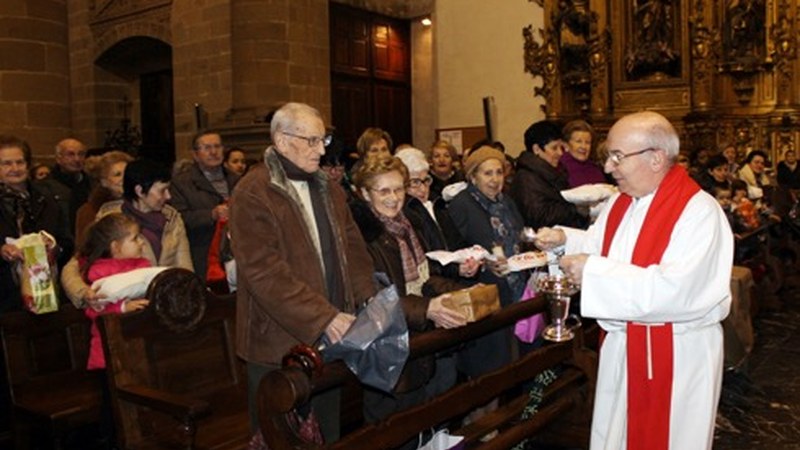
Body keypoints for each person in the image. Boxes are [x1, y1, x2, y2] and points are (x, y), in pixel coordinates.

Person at [534, 111, 733, 450]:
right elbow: (604, 247)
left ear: (655, 158)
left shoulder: (699, 212)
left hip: (677, 355)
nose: (608, 167)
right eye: (607, 156)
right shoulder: (621, 203)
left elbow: (677, 291)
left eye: (617, 157)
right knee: (617, 436)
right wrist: (564, 239)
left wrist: (593, 272)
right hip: (624, 347)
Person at [229, 102, 376, 440]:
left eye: (322, 140)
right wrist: (324, 317)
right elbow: (264, 273)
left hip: (330, 338)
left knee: (328, 431)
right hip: (277, 342)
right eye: (311, 140)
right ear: (282, 141)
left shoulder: (330, 189)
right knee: (280, 438)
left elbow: (353, 251)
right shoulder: (253, 192)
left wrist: (368, 299)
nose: (320, 149)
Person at [349, 155, 469, 446]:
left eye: (399, 189)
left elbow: (423, 279)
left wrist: (456, 294)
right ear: (365, 193)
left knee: (424, 423)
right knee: (392, 432)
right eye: (384, 191)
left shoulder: (407, 225)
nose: (394, 198)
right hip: (385, 352)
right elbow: (372, 298)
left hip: (418, 342)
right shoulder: (359, 234)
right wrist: (428, 308)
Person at [61, 159, 193, 308]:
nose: (168, 196)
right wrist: (84, 293)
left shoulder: (172, 219)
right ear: (139, 191)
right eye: (162, 190)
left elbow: (185, 268)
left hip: (167, 305)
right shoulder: (110, 219)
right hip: (125, 310)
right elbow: (74, 266)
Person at [0, 135, 71, 313]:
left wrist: (55, 247)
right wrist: (1, 250)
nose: (15, 168)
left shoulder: (48, 199)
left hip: (47, 292)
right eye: (6, 163)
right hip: (5, 296)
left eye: (20, 162)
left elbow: (68, 241)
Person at [79, 213, 151, 370]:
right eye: (135, 239)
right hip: (109, 348)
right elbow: (95, 310)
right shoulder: (99, 273)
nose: (141, 243)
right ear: (116, 247)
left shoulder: (143, 266)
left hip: (139, 342)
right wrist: (122, 308)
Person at [169, 130, 239, 277]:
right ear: (195, 154)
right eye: (207, 148)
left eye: (217, 146)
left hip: (236, 251)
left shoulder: (237, 179)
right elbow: (178, 218)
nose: (213, 152)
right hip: (202, 253)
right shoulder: (182, 183)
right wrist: (210, 215)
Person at [511, 120, 588, 230]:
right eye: (554, 148)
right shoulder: (526, 178)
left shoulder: (549, 172)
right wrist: (574, 208)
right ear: (537, 149)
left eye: (561, 147)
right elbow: (539, 216)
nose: (560, 153)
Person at [75, 150, 134, 247]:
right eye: (117, 174)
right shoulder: (89, 211)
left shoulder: (143, 205)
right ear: (104, 182)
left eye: (126, 173)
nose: (124, 179)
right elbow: (84, 248)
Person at [50, 138, 91, 232]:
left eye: (81, 154)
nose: (77, 159)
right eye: (70, 154)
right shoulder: (46, 186)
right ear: (58, 158)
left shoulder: (92, 184)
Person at [560, 120, 606, 187]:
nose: (584, 147)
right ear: (566, 145)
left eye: (587, 142)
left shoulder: (594, 168)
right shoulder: (560, 168)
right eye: (578, 141)